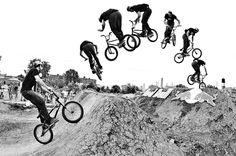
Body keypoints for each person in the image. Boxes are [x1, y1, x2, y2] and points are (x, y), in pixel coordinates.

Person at [21, 60, 58, 126]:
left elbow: (41, 87)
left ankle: (44, 124)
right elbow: (38, 80)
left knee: (40, 105)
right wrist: (47, 87)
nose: (41, 68)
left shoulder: (33, 74)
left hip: (26, 92)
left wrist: (49, 91)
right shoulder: (35, 70)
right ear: (39, 66)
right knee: (42, 100)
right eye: (41, 66)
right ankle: (49, 120)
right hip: (26, 91)